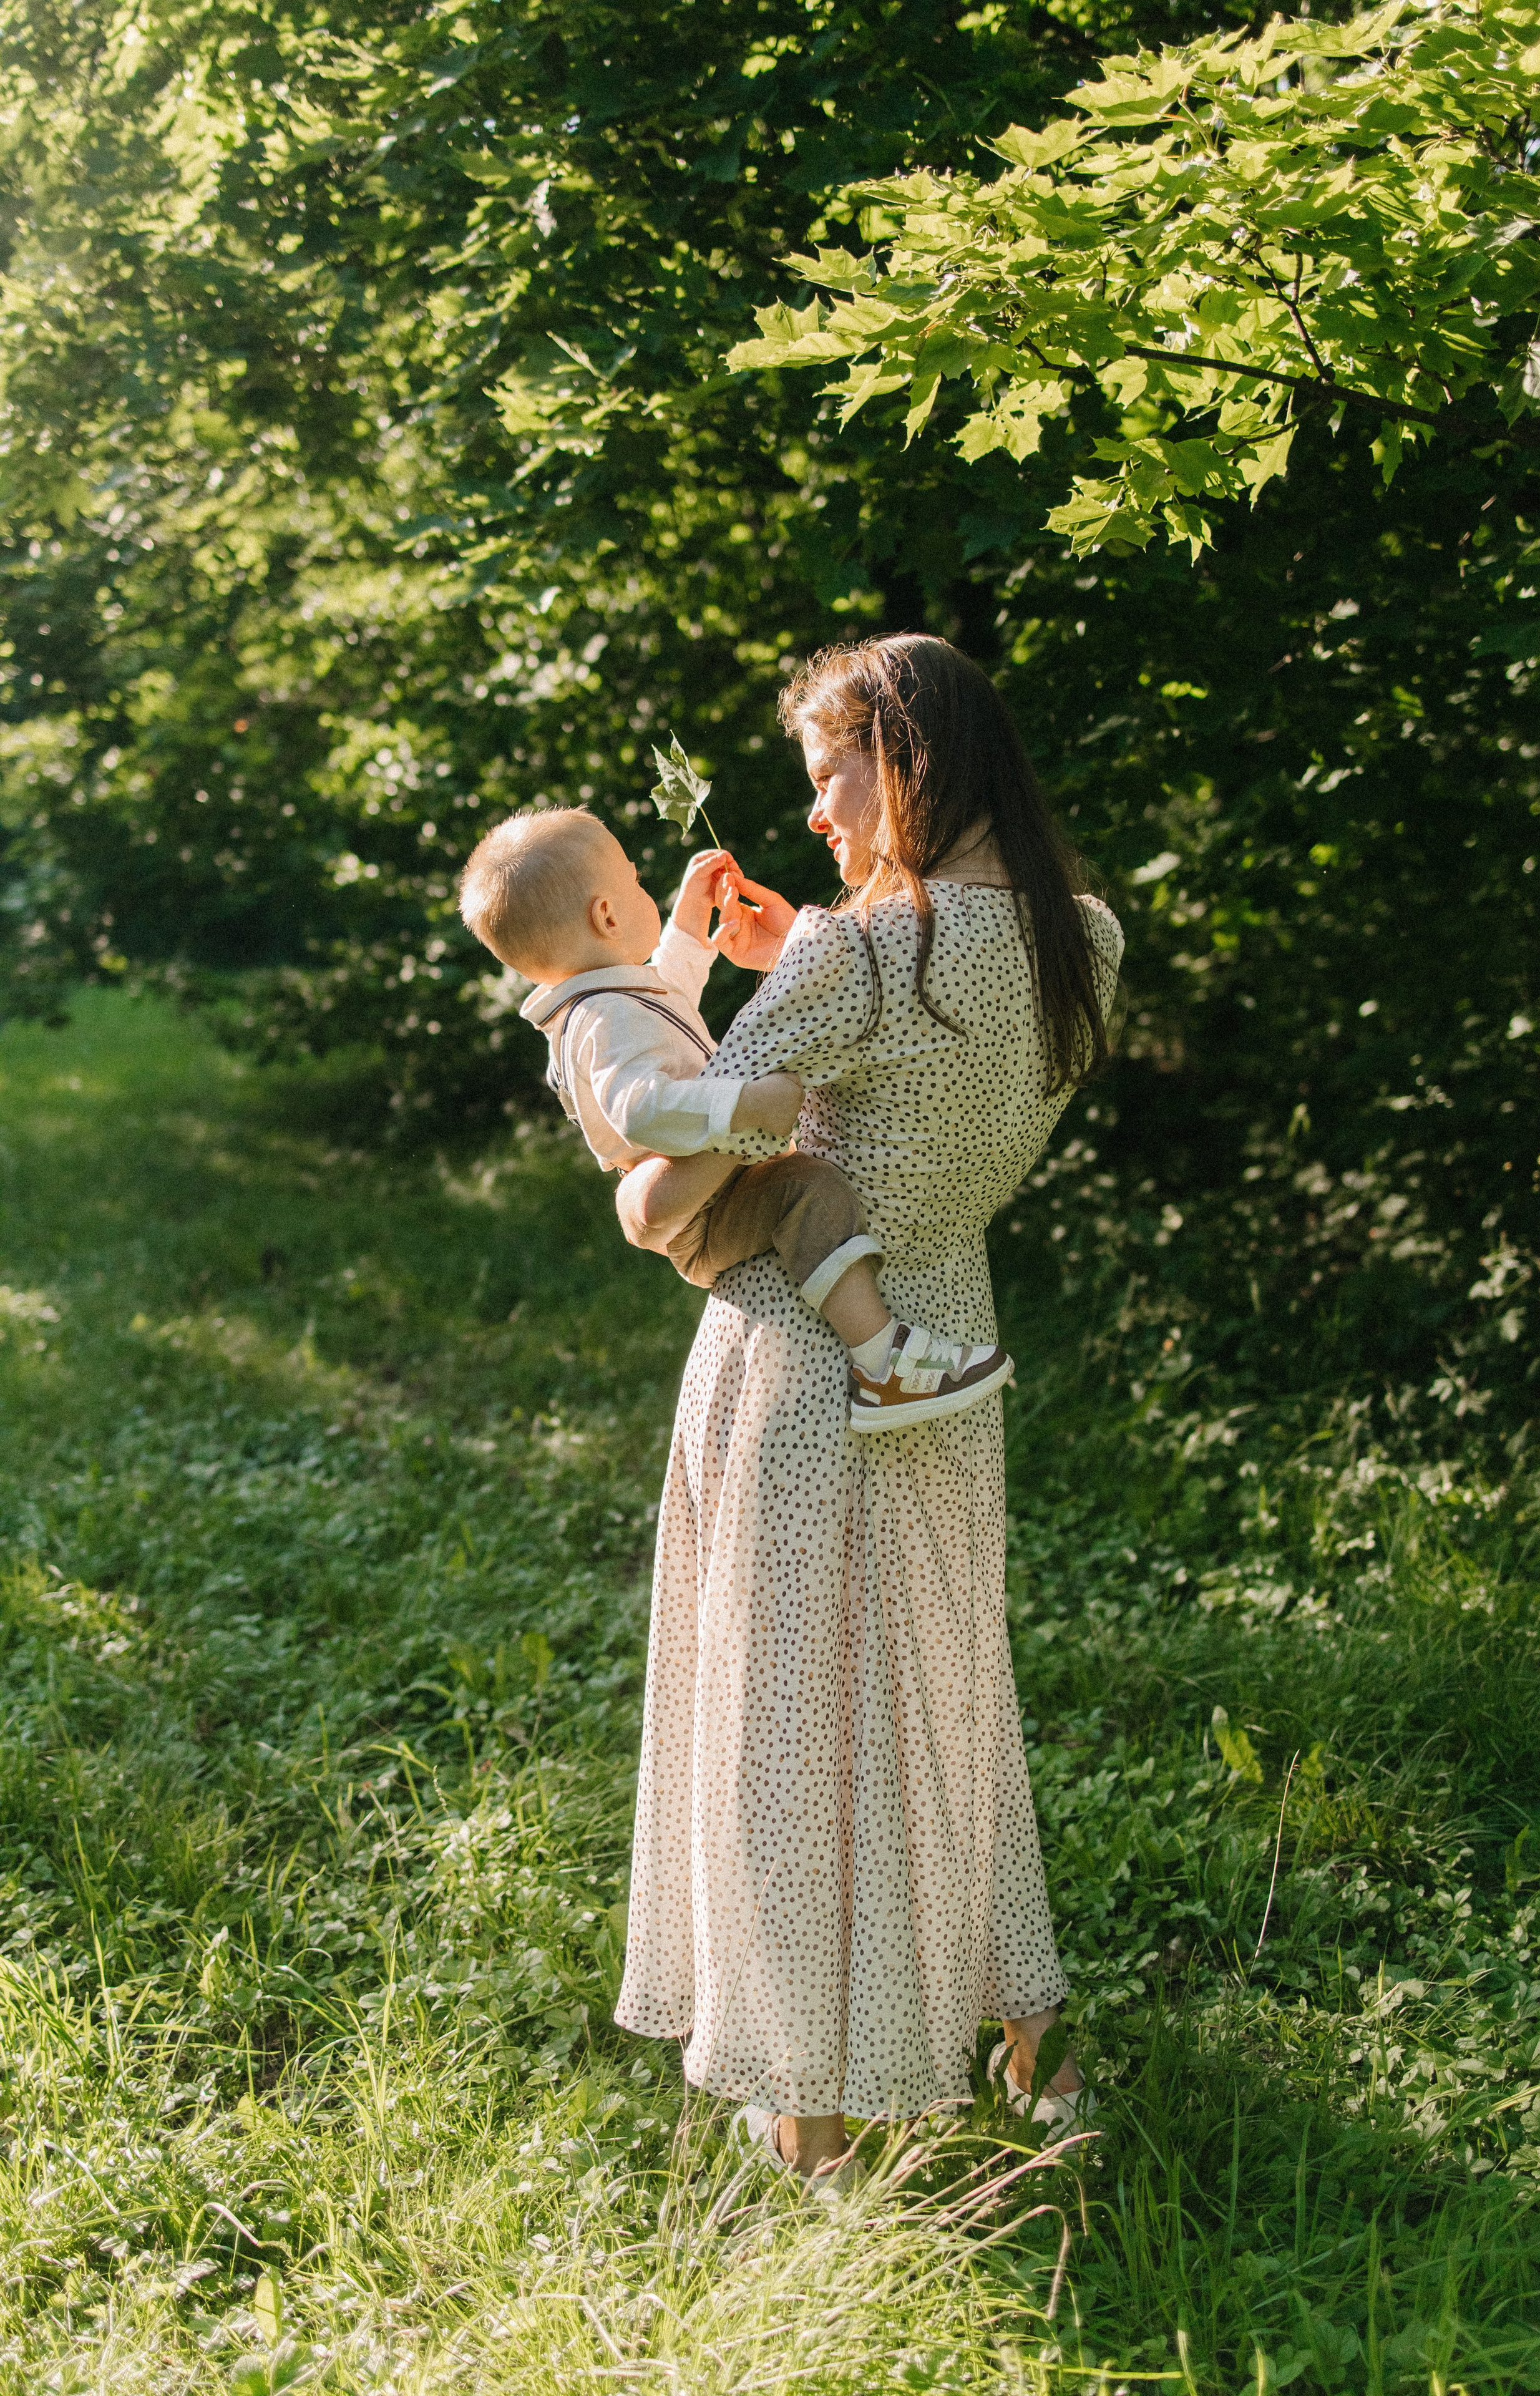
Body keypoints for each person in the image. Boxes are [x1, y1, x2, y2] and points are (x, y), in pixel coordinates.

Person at [612, 633, 1124, 2184]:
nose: (818, 816)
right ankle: (1024, 2040)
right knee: (936, 1705)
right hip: (941, 1345)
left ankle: (815, 2129)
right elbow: (924, 1057)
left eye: (830, 777)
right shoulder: (1079, 938)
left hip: (800, 1360)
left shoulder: (855, 956)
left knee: (789, 1735)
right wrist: (804, 948)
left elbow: (665, 1196)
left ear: (902, 758)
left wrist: (668, 1054)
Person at [457, 808, 1014, 1427]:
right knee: (808, 1191)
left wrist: (689, 929)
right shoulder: (603, 1018)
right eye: (638, 884)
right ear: (607, 917)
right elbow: (642, 1110)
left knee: (805, 1188)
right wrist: (741, 1108)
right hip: (698, 1210)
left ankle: (883, 1357)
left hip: (699, 1193)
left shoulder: (610, 999)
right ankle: (882, 1363)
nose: (650, 891)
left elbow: (669, 995)